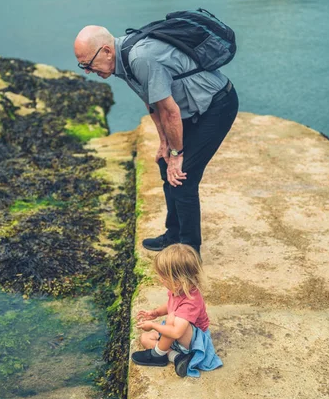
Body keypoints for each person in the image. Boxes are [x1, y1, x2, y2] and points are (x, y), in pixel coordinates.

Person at [74, 24, 239, 255]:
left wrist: (177, 154)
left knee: (183, 176)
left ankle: (189, 253)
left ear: (106, 51)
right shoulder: (121, 60)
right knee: (165, 164)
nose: (87, 71)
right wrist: (165, 144)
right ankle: (173, 236)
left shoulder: (140, 58)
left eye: (87, 63)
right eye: (82, 65)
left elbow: (170, 111)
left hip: (216, 105)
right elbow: (152, 102)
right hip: (191, 109)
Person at [131, 243, 222, 378]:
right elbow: (171, 305)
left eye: (163, 277)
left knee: (171, 319)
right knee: (145, 338)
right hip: (178, 338)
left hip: (192, 341)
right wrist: (155, 313)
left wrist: (153, 325)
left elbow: (176, 331)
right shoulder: (178, 290)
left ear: (178, 281)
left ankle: (158, 355)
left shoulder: (191, 301)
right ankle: (177, 357)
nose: (160, 280)